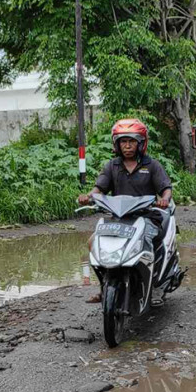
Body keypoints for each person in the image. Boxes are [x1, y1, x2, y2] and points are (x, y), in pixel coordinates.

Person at [79, 118, 173, 303]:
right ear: (117, 143)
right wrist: (89, 196)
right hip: (119, 218)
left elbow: (166, 188)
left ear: (141, 143)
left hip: (146, 217)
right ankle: (104, 286)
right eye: (123, 141)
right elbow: (99, 188)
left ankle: (153, 288)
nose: (127, 146)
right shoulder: (112, 165)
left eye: (132, 141)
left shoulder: (152, 165)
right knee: (93, 243)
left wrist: (164, 200)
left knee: (147, 244)